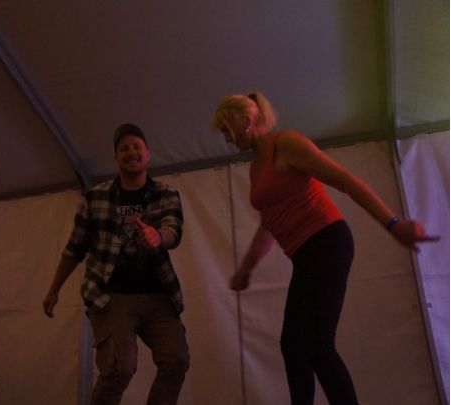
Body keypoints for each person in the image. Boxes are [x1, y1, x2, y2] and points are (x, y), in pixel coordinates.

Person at [211, 92, 439, 405]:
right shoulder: (255, 168)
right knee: (293, 344)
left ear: (245, 120)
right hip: (305, 255)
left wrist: (393, 224)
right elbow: (269, 223)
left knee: (317, 342)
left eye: (227, 129)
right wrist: (246, 268)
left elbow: (345, 181)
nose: (226, 139)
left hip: (327, 242)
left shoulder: (286, 144)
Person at [43, 123, 190, 405]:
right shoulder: (95, 197)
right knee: (119, 368)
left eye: (136, 146)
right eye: (124, 148)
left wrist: (158, 236)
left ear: (148, 154)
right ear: (116, 158)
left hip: (158, 295)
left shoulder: (166, 194)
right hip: (111, 297)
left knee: (177, 360)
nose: (131, 152)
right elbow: (75, 247)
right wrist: (54, 289)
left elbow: (174, 230)